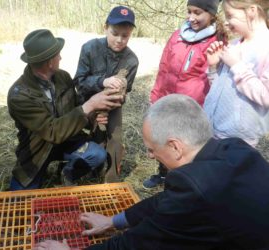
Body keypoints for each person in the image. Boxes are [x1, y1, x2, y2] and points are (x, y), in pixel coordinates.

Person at [34, 94, 269, 250]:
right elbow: (167, 200)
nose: (149, 156)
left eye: (151, 149)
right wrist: (113, 221)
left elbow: (137, 244)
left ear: (175, 146)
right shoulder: (236, 149)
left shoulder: (195, 190)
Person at [7, 29, 123, 190]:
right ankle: (39, 172)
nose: (60, 57)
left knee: (96, 155)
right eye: (58, 55)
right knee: (20, 200)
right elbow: (52, 131)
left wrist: (92, 116)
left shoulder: (62, 77)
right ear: (49, 62)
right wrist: (89, 105)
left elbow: (75, 108)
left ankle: (67, 172)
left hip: (68, 139)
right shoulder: (19, 96)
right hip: (37, 150)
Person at [143, 0, 227, 189]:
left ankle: (184, 182)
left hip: (192, 105)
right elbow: (164, 68)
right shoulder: (177, 36)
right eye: (189, 12)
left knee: (183, 146)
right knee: (163, 138)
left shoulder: (217, 43)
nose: (191, 18)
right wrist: (156, 96)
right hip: (167, 98)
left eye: (197, 13)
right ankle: (163, 173)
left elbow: (215, 79)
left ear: (211, 14)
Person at [74, 6, 139, 182]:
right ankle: (82, 170)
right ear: (105, 28)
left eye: (125, 35)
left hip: (112, 106)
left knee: (115, 140)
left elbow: (124, 94)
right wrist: (102, 82)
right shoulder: (89, 48)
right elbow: (79, 82)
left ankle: (111, 181)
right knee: (92, 138)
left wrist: (109, 107)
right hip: (86, 101)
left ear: (131, 33)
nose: (119, 39)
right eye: (114, 33)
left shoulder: (131, 60)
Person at [204, 0, 269, 148]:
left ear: (252, 11)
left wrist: (236, 65)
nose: (226, 22)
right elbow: (222, 90)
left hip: (239, 142)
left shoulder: (266, 47)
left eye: (230, 15)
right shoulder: (234, 44)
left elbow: (266, 97)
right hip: (212, 133)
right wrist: (213, 67)